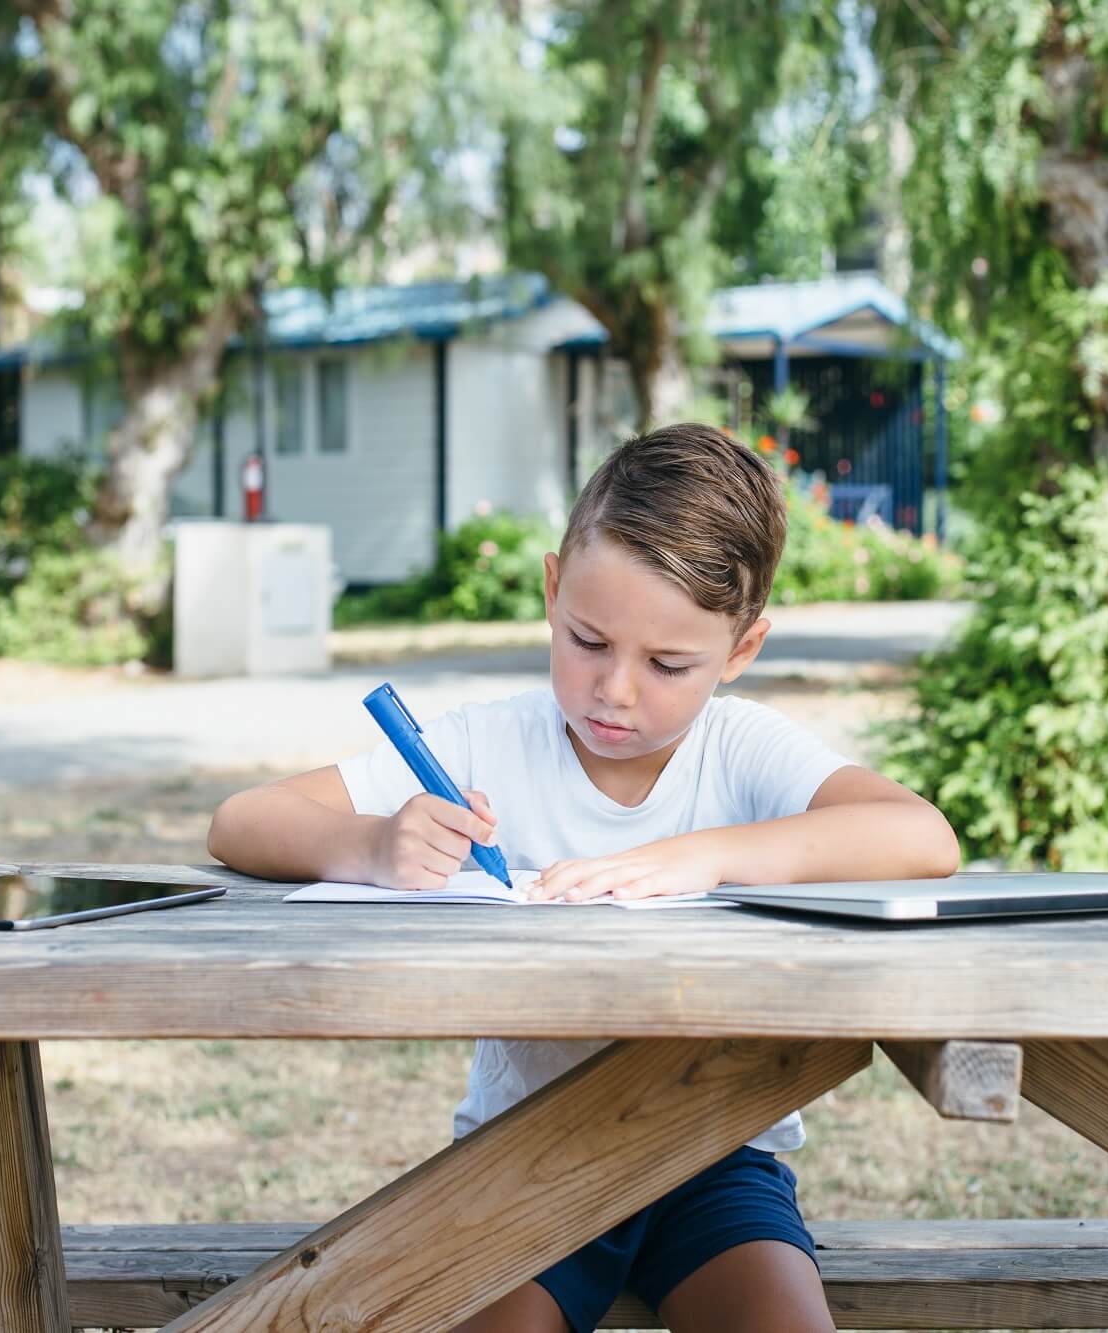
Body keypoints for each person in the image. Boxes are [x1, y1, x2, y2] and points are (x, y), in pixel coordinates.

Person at [207, 421, 963, 1333]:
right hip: (524, 1154)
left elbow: (922, 836)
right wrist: (370, 846)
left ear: (741, 650)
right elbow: (240, 820)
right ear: (552, 589)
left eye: (669, 664)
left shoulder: (740, 749)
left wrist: (701, 854)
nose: (616, 689)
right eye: (588, 640)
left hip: (715, 1156)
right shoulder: (488, 742)